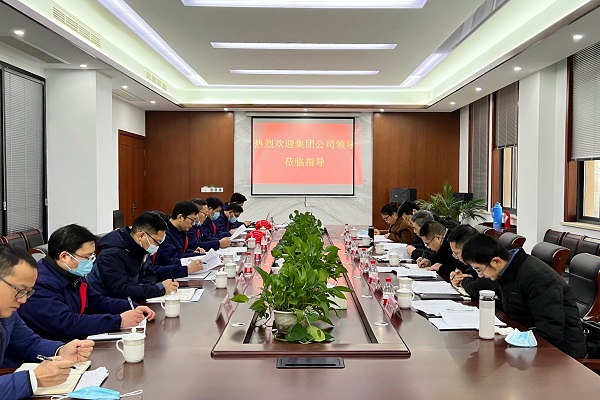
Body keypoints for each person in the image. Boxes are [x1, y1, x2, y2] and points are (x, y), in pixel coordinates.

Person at [18, 224, 156, 342]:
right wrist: (118, 321)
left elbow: (97, 301)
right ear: (64, 256)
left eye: (92, 256)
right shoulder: (40, 283)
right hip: (52, 351)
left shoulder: (72, 274)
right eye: (87, 257)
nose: (91, 261)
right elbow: (66, 324)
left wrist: (132, 307)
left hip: (75, 343)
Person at [461, 234, 586, 358]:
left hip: (561, 353)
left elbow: (551, 331)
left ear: (496, 261)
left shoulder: (538, 277)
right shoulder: (508, 270)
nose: (480, 276)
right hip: (529, 338)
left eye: (479, 270)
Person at [0, 245, 95, 400]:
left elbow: (28, 343)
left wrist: (61, 350)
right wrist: (32, 379)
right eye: (20, 290)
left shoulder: (7, 314)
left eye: (28, 292)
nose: (23, 300)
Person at [86, 212, 179, 301]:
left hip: (130, 300)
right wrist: (158, 289)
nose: (157, 247)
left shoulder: (140, 248)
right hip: (107, 304)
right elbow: (119, 290)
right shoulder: (111, 254)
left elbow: (150, 274)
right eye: (157, 242)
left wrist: (144, 288)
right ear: (141, 235)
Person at [446, 224, 500, 299]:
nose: (456, 257)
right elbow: (470, 273)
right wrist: (459, 277)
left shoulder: (488, 256)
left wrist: (463, 281)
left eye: (456, 253)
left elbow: (478, 289)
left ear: (467, 248)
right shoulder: (476, 257)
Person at [154, 201, 204, 280]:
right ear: (180, 217)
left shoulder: (181, 230)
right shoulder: (164, 233)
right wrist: (194, 259)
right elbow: (170, 258)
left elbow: (181, 251)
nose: (193, 224)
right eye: (192, 220)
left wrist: (193, 252)